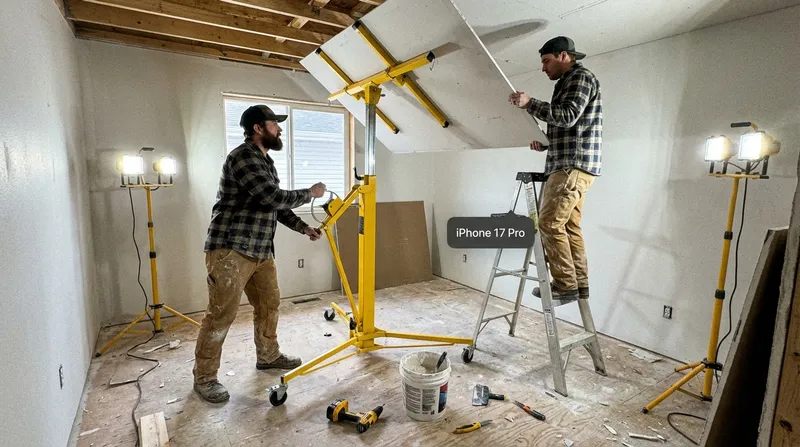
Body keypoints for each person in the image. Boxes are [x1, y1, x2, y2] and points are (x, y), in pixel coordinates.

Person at [193, 104, 326, 403]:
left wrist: (304, 227)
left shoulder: (266, 163)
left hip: (261, 250)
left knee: (269, 304)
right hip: (231, 249)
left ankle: (268, 355)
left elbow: (275, 207)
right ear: (258, 128)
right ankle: (204, 378)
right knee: (220, 315)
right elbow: (272, 196)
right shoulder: (242, 157)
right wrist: (310, 193)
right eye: (274, 124)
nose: (279, 129)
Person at [508, 36, 603, 301]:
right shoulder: (569, 81)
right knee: (569, 227)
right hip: (574, 164)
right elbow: (574, 126)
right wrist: (547, 144)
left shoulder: (580, 77)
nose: (543, 68)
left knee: (549, 223)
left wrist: (530, 103)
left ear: (563, 56)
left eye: (546, 61)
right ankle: (579, 284)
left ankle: (565, 285)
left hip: (570, 167)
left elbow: (568, 115)